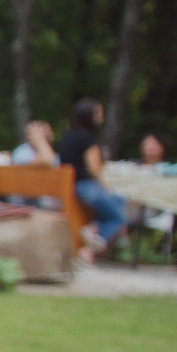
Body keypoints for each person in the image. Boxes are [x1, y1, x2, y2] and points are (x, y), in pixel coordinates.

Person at [57, 98, 128, 259]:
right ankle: (88, 251)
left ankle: (93, 228)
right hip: (86, 186)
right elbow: (94, 168)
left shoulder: (68, 136)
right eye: (99, 113)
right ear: (90, 116)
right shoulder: (88, 139)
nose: (101, 117)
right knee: (118, 218)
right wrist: (105, 185)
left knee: (119, 200)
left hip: (69, 185)